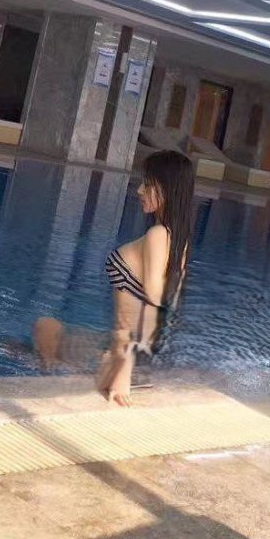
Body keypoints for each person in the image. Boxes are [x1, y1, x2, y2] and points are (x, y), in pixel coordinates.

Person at [33, 150, 196, 407]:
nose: (140, 190)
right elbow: (169, 305)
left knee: (45, 327)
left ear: (167, 189)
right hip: (140, 352)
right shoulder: (179, 241)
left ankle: (70, 366)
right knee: (40, 338)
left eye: (147, 184)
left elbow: (154, 301)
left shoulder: (157, 235)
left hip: (124, 350)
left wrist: (123, 366)